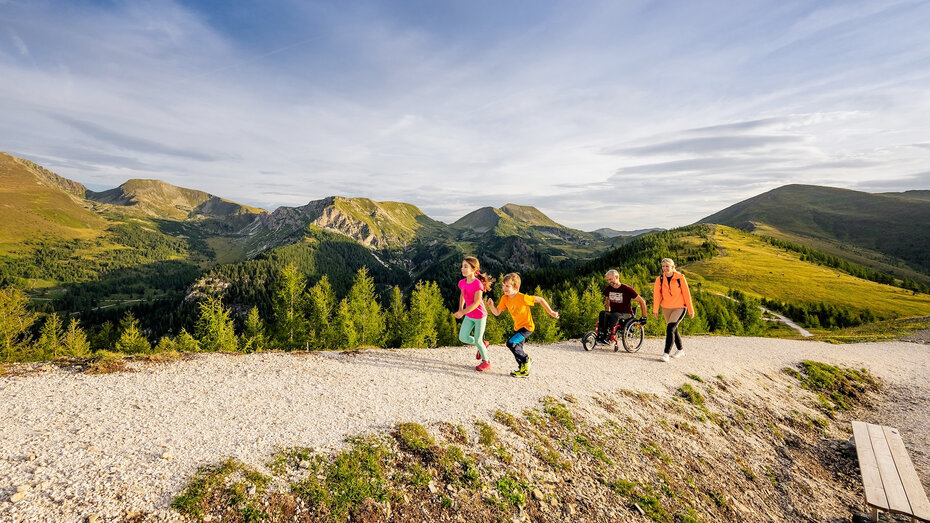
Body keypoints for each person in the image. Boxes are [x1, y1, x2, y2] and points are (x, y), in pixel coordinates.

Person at [485, 273, 559, 378]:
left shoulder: (523, 298)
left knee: (511, 343)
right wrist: (491, 306)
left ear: (515, 287)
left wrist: (551, 312)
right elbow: (497, 312)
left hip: (527, 327)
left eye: (507, 286)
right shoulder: (504, 298)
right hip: (518, 328)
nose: (504, 288)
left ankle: (526, 359)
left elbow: (541, 300)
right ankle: (523, 369)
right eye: (503, 285)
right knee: (516, 348)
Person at [453, 256, 494, 371]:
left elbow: (476, 303)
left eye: (465, 266)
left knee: (477, 340)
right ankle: (482, 344)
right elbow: (462, 295)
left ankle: (486, 362)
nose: (462, 269)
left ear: (473, 269)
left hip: (480, 316)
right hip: (469, 315)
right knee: (463, 337)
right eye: (462, 266)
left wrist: (462, 313)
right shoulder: (462, 282)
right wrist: (460, 309)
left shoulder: (478, 284)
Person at [652, 258, 695, 362]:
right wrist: (655, 309)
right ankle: (680, 350)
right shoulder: (660, 279)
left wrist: (690, 310)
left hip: (680, 307)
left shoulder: (680, 278)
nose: (665, 268)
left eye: (667, 266)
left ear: (672, 266)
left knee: (670, 328)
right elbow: (657, 295)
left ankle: (666, 354)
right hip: (666, 308)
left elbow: (686, 294)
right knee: (673, 329)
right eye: (663, 266)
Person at [599, 269, 647, 342]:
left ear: (617, 277)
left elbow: (642, 301)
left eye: (611, 279)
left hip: (626, 314)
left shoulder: (627, 289)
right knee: (603, 313)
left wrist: (644, 317)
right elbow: (607, 300)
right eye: (608, 280)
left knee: (615, 315)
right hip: (614, 313)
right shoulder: (608, 289)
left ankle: (610, 337)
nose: (609, 282)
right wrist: (608, 312)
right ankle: (601, 334)